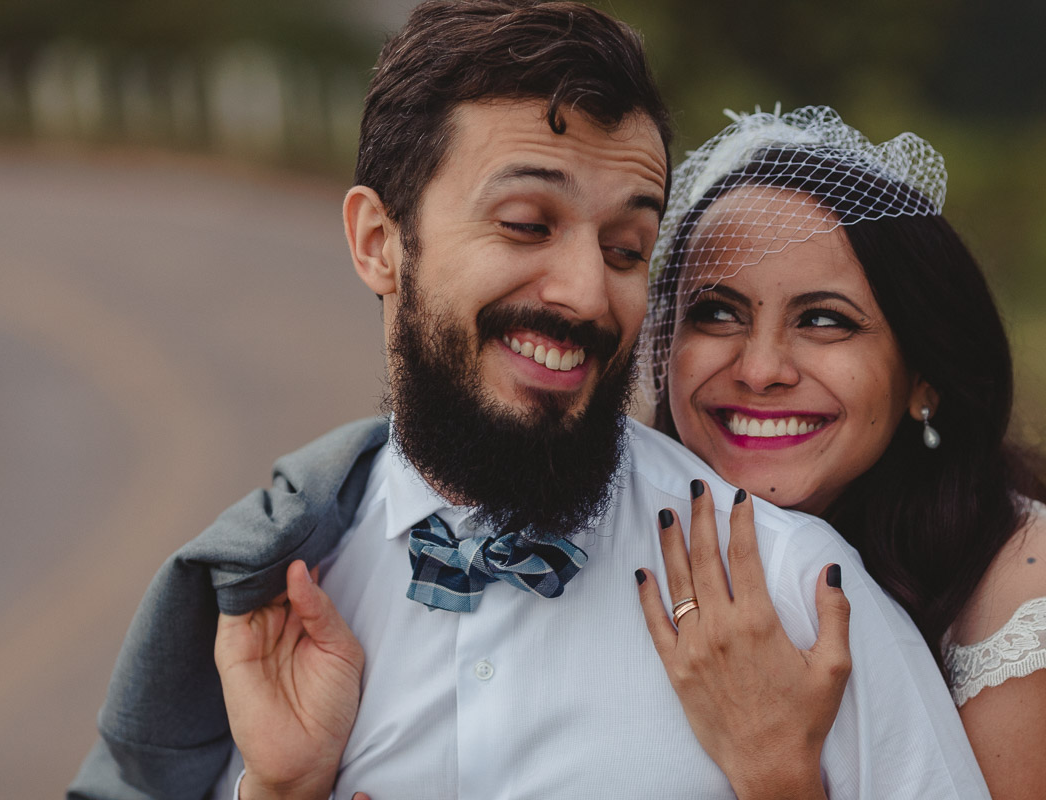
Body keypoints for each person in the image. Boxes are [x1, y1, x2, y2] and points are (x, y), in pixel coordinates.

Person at [68, 5, 992, 799]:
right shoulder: (280, 595)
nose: (587, 295)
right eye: (526, 225)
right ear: (380, 241)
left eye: (627, 250)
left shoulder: (798, 598)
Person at [633, 105, 1046, 800]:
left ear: (923, 377)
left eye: (823, 320)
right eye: (716, 312)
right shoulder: (625, 524)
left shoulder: (1026, 599)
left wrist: (776, 768)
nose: (759, 370)